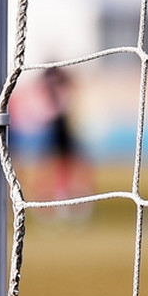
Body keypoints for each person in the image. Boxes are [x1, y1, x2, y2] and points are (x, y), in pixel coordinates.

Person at [33, 66, 92, 220]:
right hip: (57, 124)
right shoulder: (56, 84)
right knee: (60, 165)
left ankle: (61, 199)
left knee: (63, 165)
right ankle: (58, 200)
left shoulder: (51, 81)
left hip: (57, 124)